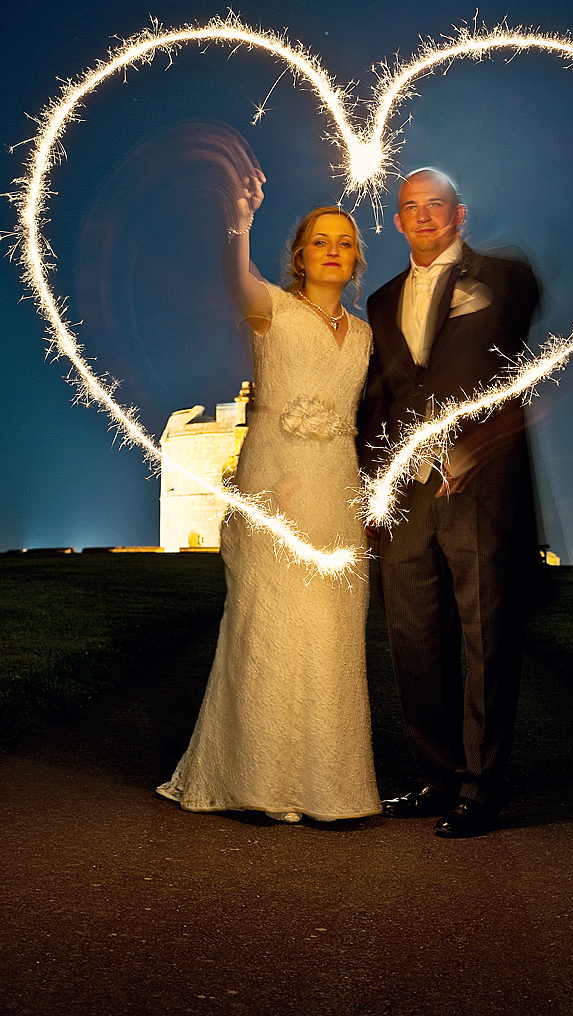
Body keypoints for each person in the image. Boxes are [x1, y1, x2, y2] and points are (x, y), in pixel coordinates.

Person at [158, 165, 381, 824]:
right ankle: (254, 780)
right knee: (266, 625)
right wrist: (240, 222)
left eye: (344, 241)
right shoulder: (271, 309)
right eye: (320, 241)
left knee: (333, 631)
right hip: (275, 484)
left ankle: (332, 790)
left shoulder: (366, 334)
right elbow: (237, 279)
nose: (333, 250)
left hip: (336, 489)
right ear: (300, 256)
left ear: (356, 258)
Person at [357, 168, 540, 838]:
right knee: (412, 637)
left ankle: (481, 787)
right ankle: (435, 775)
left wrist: (477, 442)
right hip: (402, 495)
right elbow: (378, 399)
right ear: (397, 222)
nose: (424, 216)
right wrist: (372, 484)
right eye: (411, 207)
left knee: (485, 634)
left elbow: (504, 366)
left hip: (474, 484)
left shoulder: (504, 279)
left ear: (458, 215)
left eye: (436, 205)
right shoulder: (378, 302)